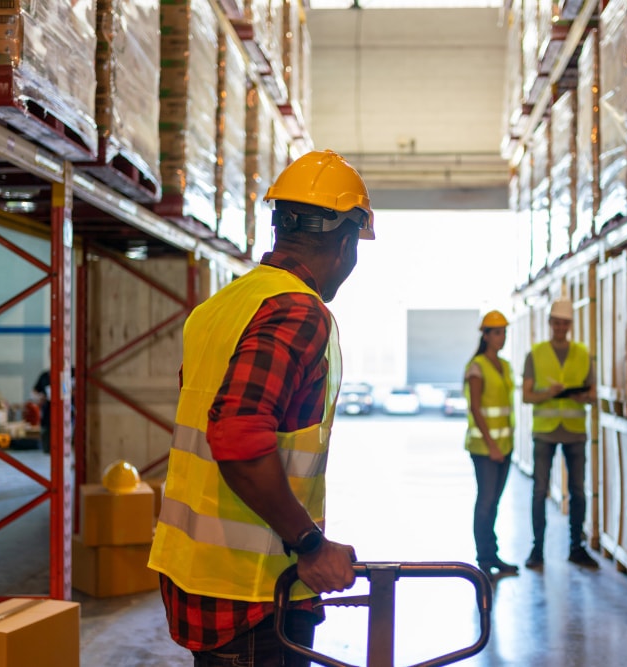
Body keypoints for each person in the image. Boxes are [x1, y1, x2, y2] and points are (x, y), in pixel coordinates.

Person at [148, 150, 374, 667]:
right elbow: (237, 435)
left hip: (195, 574)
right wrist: (311, 545)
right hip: (253, 592)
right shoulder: (297, 311)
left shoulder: (221, 306)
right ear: (344, 244)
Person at [521, 296, 598, 569]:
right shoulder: (536, 354)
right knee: (540, 490)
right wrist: (547, 394)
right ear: (550, 323)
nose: (560, 328)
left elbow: (593, 392)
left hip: (574, 431)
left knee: (578, 491)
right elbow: (527, 396)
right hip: (545, 432)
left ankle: (577, 547)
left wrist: (584, 398)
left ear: (570, 325)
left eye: (565, 323)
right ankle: (537, 550)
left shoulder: (582, 354)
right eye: (556, 323)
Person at [464, 309, 518, 577]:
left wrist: (504, 445)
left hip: (505, 446)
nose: (502, 337)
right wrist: (492, 445)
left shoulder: (505, 365)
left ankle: (492, 553)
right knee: (485, 502)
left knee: (494, 502)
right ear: (485, 336)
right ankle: (484, 557)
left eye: (504, 332)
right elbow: (476, 408)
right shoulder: (477, 367)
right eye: (497, 332)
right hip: (485, 449)